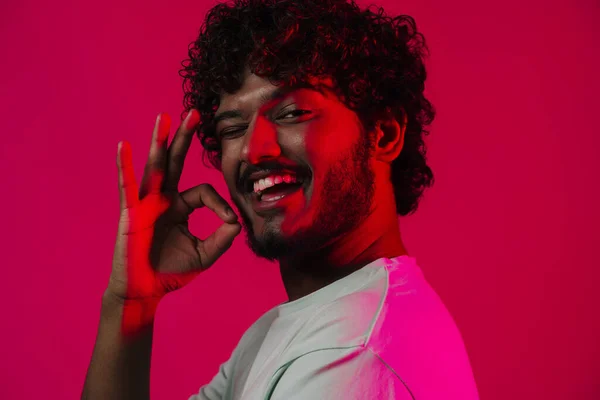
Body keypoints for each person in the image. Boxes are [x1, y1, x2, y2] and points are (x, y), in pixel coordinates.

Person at [82, 0, 479, 399]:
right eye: (233, 127)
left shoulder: (350, 358)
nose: (254, 150)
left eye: (291, 113)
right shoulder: (298, 330)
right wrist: (129, 303)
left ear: (384, 134)